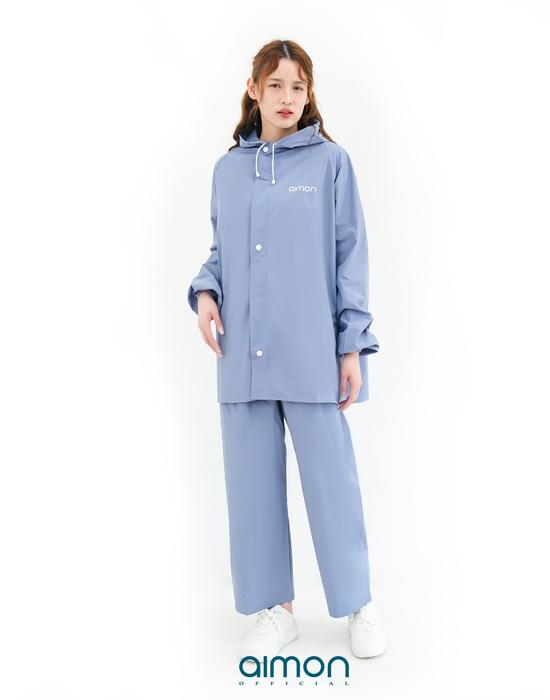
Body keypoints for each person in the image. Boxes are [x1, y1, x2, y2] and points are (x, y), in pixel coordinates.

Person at [187, 39, 386, 662]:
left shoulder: (331, 164)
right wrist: (206, 293)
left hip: (311, 350)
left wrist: (351, 346)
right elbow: (221, 251)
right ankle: (276, 609)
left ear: (308, 94)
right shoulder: (228, 171)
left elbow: (350, 257)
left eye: (297, 87)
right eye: (275, 85)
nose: (287, 97)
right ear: (254, 90)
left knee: (332, 481)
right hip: (242, 350)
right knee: (250, 486)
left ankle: (357, 603)